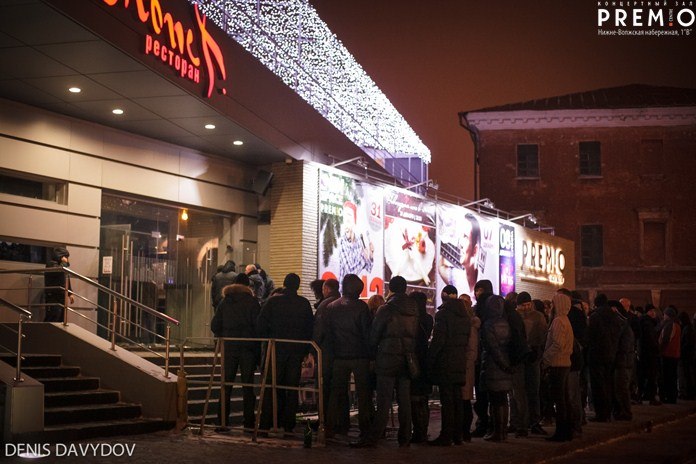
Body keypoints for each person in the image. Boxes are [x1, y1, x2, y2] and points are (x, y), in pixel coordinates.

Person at [350, 276, 418, 448]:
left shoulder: (386, 309)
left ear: (391, 289)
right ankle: (405, 438)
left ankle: (373, 437)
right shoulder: (414, 308)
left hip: (387, 358)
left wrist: (373, 356)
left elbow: (374, 336)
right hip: (406, 359)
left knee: (384, 401)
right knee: (404, 401)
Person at [257, 273, 314, 433]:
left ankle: (265, 424)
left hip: (275, 350)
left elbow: (261, 324)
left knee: (271, 387)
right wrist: (305, 351)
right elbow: (310, 327)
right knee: (292, 389)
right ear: (298, 285)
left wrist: (268, 340)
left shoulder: (273, 301)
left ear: (284, 283)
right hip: (295, 352)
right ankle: (288, 424)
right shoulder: (303, 303)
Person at [322, 274, 374, 438]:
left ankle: (330, 428)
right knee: (363, 394)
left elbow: (328, 334)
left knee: (336, 393)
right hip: (360, 357)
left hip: (339, 357)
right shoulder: (361, 307)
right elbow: (367, 334)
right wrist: (371, 355)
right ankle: (365, 429)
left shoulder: (331, 307)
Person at [210, 273, 260, 430]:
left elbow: (214, 325)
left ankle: (222, 422)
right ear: (247, 286)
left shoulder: (225, 302)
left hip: (229, 347)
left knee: (226, 386)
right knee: (248, 386)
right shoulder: (252, 302)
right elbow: (258, 326)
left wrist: (223, 334)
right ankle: (249, 423)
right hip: (247, 348)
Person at [427, 284, 470, 446]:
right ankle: (457, 436)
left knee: (447, 401)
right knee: (457, 400)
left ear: (444, 294)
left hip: (446, 362)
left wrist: (431, 360)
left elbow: (438, 341)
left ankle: (446, 435)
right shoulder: (465, 315)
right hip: (459, 361)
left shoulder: (443, 315)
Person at [476, 279, 512, 443]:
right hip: (505, 365)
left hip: (493, 365)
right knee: (503, 399)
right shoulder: (505, 322)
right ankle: (503, 430)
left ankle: (497, 431)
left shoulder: (488, 324)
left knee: (495, 400)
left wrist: (501, 363)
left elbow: (491, 347)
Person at [511, 291, 548, 437]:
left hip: (533, 358)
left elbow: (543, 336)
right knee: (518, 393)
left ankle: (534, 422)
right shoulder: (514, 316)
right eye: (523, 305)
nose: (526, 308)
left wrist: (537, 353)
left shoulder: (538, 316)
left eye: (528, 305)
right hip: (519, 358)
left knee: (533, 391)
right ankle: (520, 423)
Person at [542, 292, 574, 442]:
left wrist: (546, 357)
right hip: (565, 363)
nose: (551, 307)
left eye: (553, 303)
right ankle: (567, 430)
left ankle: (562, 432)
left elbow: (558, 344)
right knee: (564, 399)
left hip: (558, 364)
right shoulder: (565, 320)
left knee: (559, 400)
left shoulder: (558, 321)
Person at [586, 293, 622, 422]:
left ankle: (601, 414)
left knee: (598, 385)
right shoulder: (614, 316)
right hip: (611, 354)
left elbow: (590, 336)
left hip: (597, 355)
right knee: (608, 383)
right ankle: (608, 412)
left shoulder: (595, 316)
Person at [312, 278, 341, 428]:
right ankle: (339, 421)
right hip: (340, 353)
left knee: (323, 387)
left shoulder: (325, 305)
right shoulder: (342, 302)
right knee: (338, 388)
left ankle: (324, 420)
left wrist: (313, 349)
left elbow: (319, 330)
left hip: (326, 352)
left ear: (327, 289)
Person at [409, 291, 433, 443]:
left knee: (415, 397)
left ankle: (418, 433)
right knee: (423, 398)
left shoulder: (412, 320)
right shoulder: (428, 319)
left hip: (413, 359)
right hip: (425, 359)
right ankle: (423, 431)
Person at [438, 213, 481, 297]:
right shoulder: (457, 277)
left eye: (465, 237)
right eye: (460, 237)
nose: (460, 244)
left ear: (475, 250)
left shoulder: (482, 282)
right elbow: (441, 267)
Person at [337, 201, 374, 284]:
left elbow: (369, 268)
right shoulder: (342, 242)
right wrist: (364, 258)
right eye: (345, 215)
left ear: (355, 220)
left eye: (349, 215)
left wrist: (371, 254)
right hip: (343, 292)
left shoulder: (359, 240)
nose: (346, 218)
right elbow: (350, 271)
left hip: (356, 291)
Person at [460, 293, 480, 442]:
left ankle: (465, 432)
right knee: (463, 400)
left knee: (465, 400)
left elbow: (472, 350)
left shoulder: (471, 326)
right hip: (464, 367)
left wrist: (466, 363)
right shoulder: (468, 325)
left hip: (465, 367)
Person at [611, 299, 635, 421]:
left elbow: (624, 345)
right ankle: (623, 411)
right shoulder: (624, 323)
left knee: (622, 388)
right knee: (621, 388)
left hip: (623, 362)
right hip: (624, 361)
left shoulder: (623, 325)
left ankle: (625, 412)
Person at [658, 306, 681, 404]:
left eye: (665, 314)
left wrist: (660, 350)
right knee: (672, 377)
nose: (663, 316)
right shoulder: (678, 325)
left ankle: (669, 397)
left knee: (667, 377)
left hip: (667, 354)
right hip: (675, 354)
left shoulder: (669, 325)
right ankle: (672, 397)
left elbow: (666, 340)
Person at [44, 246, 73, 322]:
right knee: (53, 316)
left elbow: (66, 279)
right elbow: (57, 271)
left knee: (61, 318)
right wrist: (64, 263)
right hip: (53, 295)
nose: (67, 259)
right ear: (61, 256)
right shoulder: (51, 264)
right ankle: (46, 333)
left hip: (61, 295)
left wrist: (70, 293)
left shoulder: (62, 266)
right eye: (66, 257)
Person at [639, 304, 661, 405]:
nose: (654, 313)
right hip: (650, 353)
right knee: (651, 375)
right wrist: (656, 348)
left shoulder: (646, 322)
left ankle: (640, 396)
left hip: (644, 353)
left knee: (643, 375)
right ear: (648, 312)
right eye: (652, 311)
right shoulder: (648, 323)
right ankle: (651, 397)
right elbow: (651, 339)